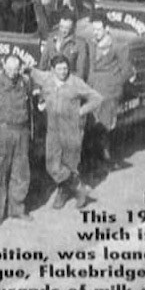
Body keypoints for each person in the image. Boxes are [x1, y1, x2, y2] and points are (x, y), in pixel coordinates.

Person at [28, 56, 104, 209]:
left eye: (65, 69)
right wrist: (25, 68)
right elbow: (34, 73)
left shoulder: (75, 82)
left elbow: (97, 98)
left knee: (70, 163)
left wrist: (81, 111)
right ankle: (78, 186)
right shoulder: (48, 79)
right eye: (59, 69)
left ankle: (63, 192)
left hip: (71, 129)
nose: (63, 72)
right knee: (52, 165)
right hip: (53, 128)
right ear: (52, 70)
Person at [0, 54, 32, 225]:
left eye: (16, 69)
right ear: (3, 66)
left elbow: (30, 107)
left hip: (21, 132)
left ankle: (16, 209)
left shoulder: (25, 82)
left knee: (20, 172)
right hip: (1, 132)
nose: (12, 72)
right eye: (9, 69)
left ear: (20, 68)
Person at [87, 17, 135, 165]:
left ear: (107, 29)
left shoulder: (118, 47)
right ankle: (93, 153)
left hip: (109, 90)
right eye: (93, 30)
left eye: (98, 30)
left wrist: (115, 83)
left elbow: (126, 70)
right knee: (92, 121)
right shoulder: (90, 45)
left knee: (105, 124)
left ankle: (104, 154)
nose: (95, 33)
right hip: (92, 87)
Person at [40, 11, 90, 82]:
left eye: (67, 28)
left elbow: (81, 71)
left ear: (73, 27)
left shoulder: (80, 44)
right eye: (61, 27)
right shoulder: (51, 40)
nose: (63, 30)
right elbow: (42, 65)